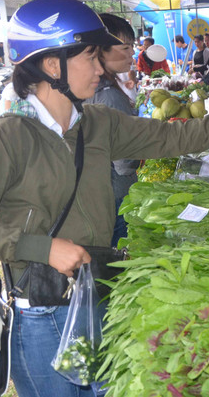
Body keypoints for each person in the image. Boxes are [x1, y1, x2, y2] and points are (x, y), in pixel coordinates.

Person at [0, 0, 209, 397]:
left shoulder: (97, 123)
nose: (101, 68)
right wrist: (41, 247)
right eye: (90, 57)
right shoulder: (8, 137)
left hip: (94, 294)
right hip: (40, 313)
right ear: (51, 64)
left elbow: (177, 136)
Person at [85, 13, 140, 247]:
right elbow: (125, 160)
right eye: (126, 47)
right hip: (115, 193)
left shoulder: (94, 89)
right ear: (101, 50)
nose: (132, 54)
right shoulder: (108, 95)